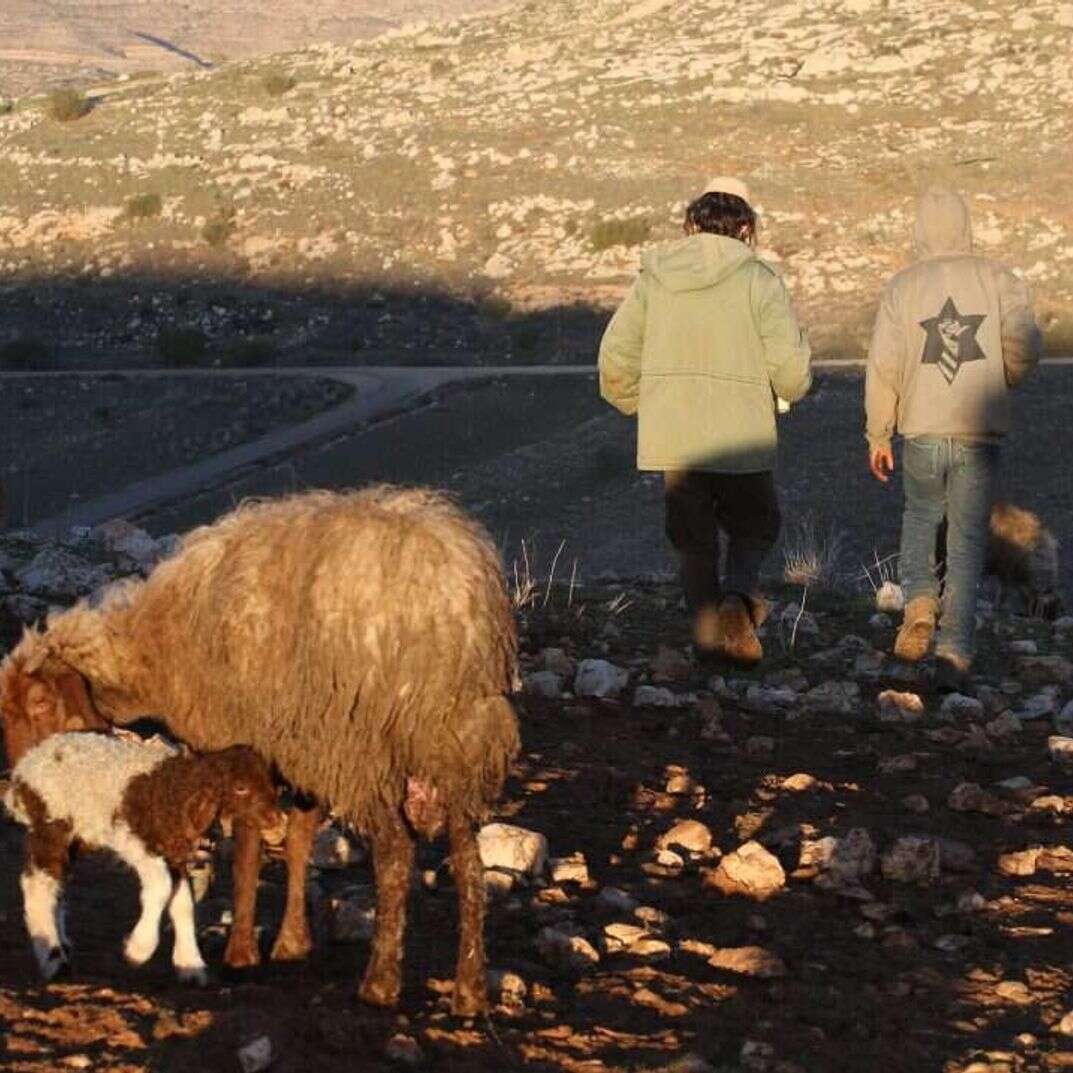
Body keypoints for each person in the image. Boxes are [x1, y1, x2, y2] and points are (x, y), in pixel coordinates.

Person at [598, 178, 812, 665]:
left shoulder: (654, 277)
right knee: (756, 526)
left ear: (692, 224)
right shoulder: (759, 279)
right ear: (745, 227)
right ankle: (737, 598)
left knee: (693, 544)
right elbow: (792, 373)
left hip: (676, 436)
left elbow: (615, 359)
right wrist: (783, 394)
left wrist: (646, 406)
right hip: (743, 435)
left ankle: (707, 643)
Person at [866, 187, 1041, 686]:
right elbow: (1025, 343)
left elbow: (883, 366)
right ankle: (955, 648)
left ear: (919, 230)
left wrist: (878, 433)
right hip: (977, 431)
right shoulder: (998, 278)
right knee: (967, 536)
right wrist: (1002, 378)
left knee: (920, 515)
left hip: (921, 426)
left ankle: (919, 602)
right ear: (966, 225)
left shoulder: (903, 286)